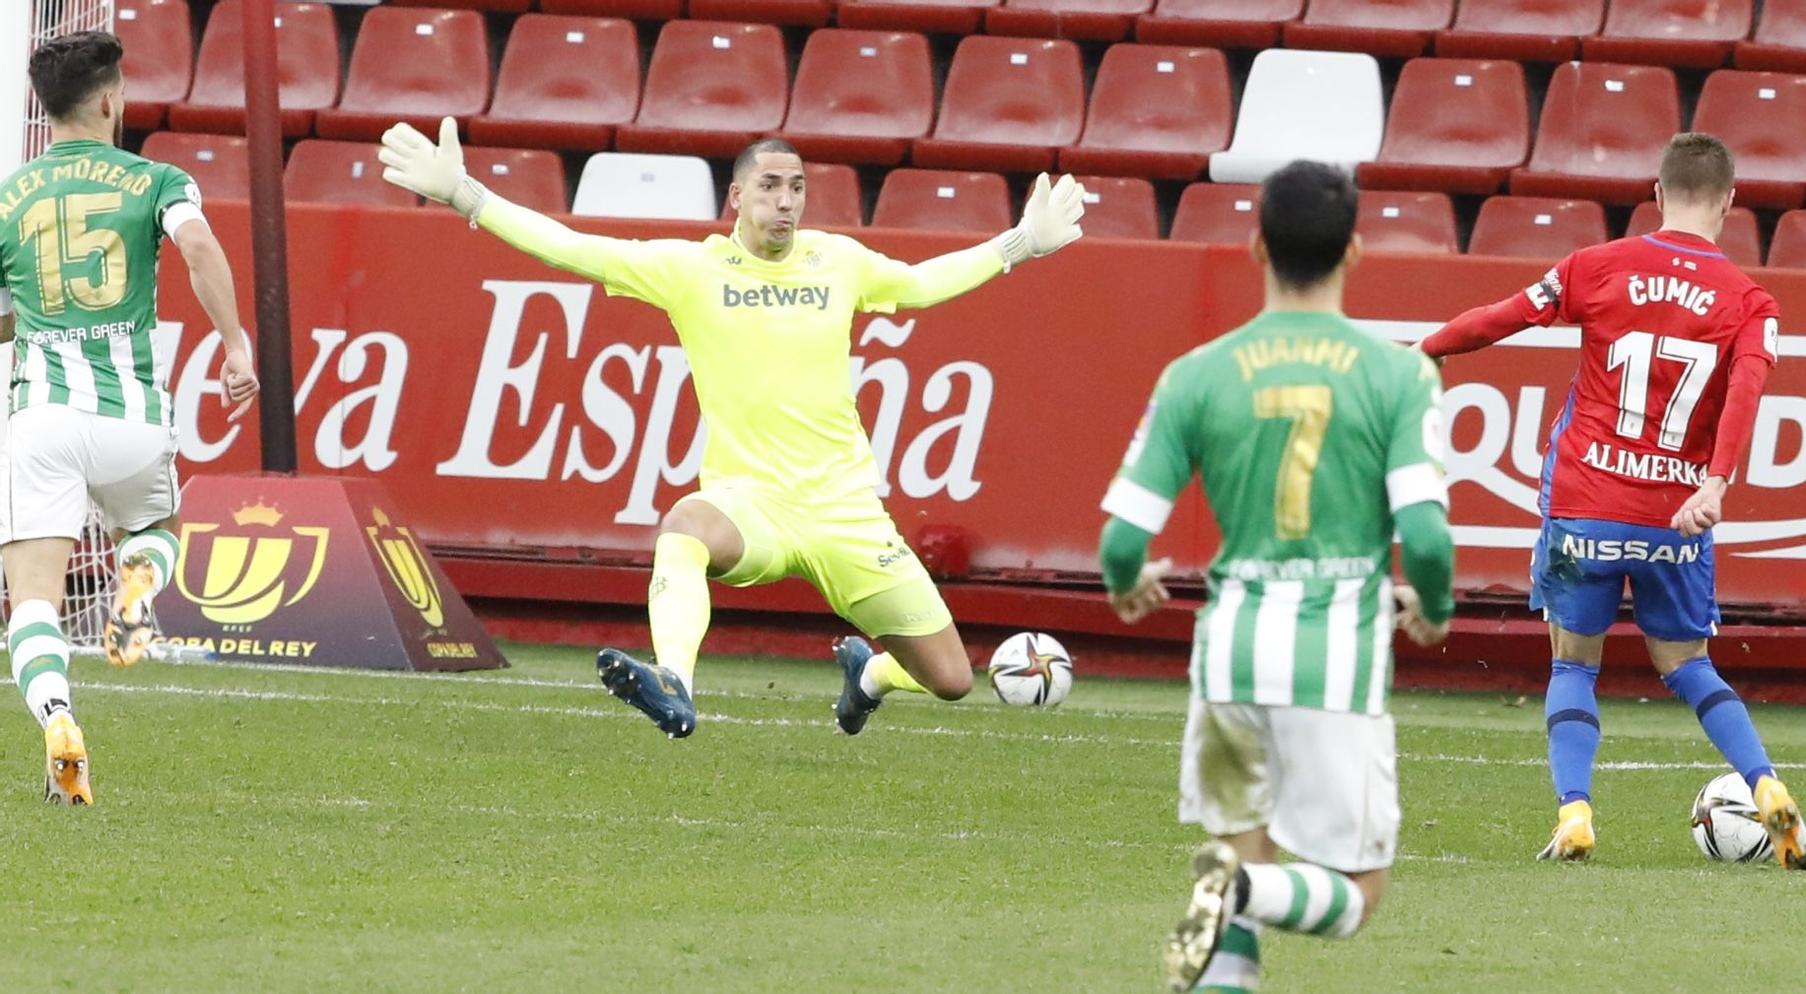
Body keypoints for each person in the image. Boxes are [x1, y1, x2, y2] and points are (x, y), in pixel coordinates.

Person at [377, 122, 1084, 738]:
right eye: (771, 185)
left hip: (847, 513)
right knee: (687, 523)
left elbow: (923, 284)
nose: (787, 200)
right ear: (737, 198)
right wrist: (467, 195)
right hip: (754, 505)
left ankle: (869, 679)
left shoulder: (839, 263)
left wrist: (1022, 243)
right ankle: (674, 684)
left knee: (952, 678)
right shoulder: (691, 269)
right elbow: (570, 247)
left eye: (798, 187)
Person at [1098, 161, 1455, 994]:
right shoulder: (1399, 375)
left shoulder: (1196, 374)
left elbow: (1121, 536)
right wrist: (1432, 607)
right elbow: (1428, 538)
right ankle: (1241, 889)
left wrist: (1128, 583)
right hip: (1335, 655)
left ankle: (1237, 891)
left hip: (1228, 649)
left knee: (1239, 886)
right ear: (1356, 250)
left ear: (1256, 246)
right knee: (1357, 897)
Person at [1418, 133, 1806, 870]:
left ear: (1657, 194)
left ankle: (1575, 813)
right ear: (1730, 202)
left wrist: (1431, 348)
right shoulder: (1752, 304)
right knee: (1689, 665)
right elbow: (1747, 390)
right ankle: (1764, 786)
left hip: (1585, 506)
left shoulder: (1596, 266)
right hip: (1675, 516)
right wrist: (1716, 481)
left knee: (1574, 666)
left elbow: (1504, 316)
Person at [0, 31, 260, 805]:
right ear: (111, 98)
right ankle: (137, 590)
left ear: (41, 109)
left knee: (34, 601)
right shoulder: (158, 179)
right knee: (153, 533)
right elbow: (200, 246)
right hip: (132, 416)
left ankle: (57, 720)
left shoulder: (10, 196)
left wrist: (38, 325)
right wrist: (236, 345)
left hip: (40, 418)